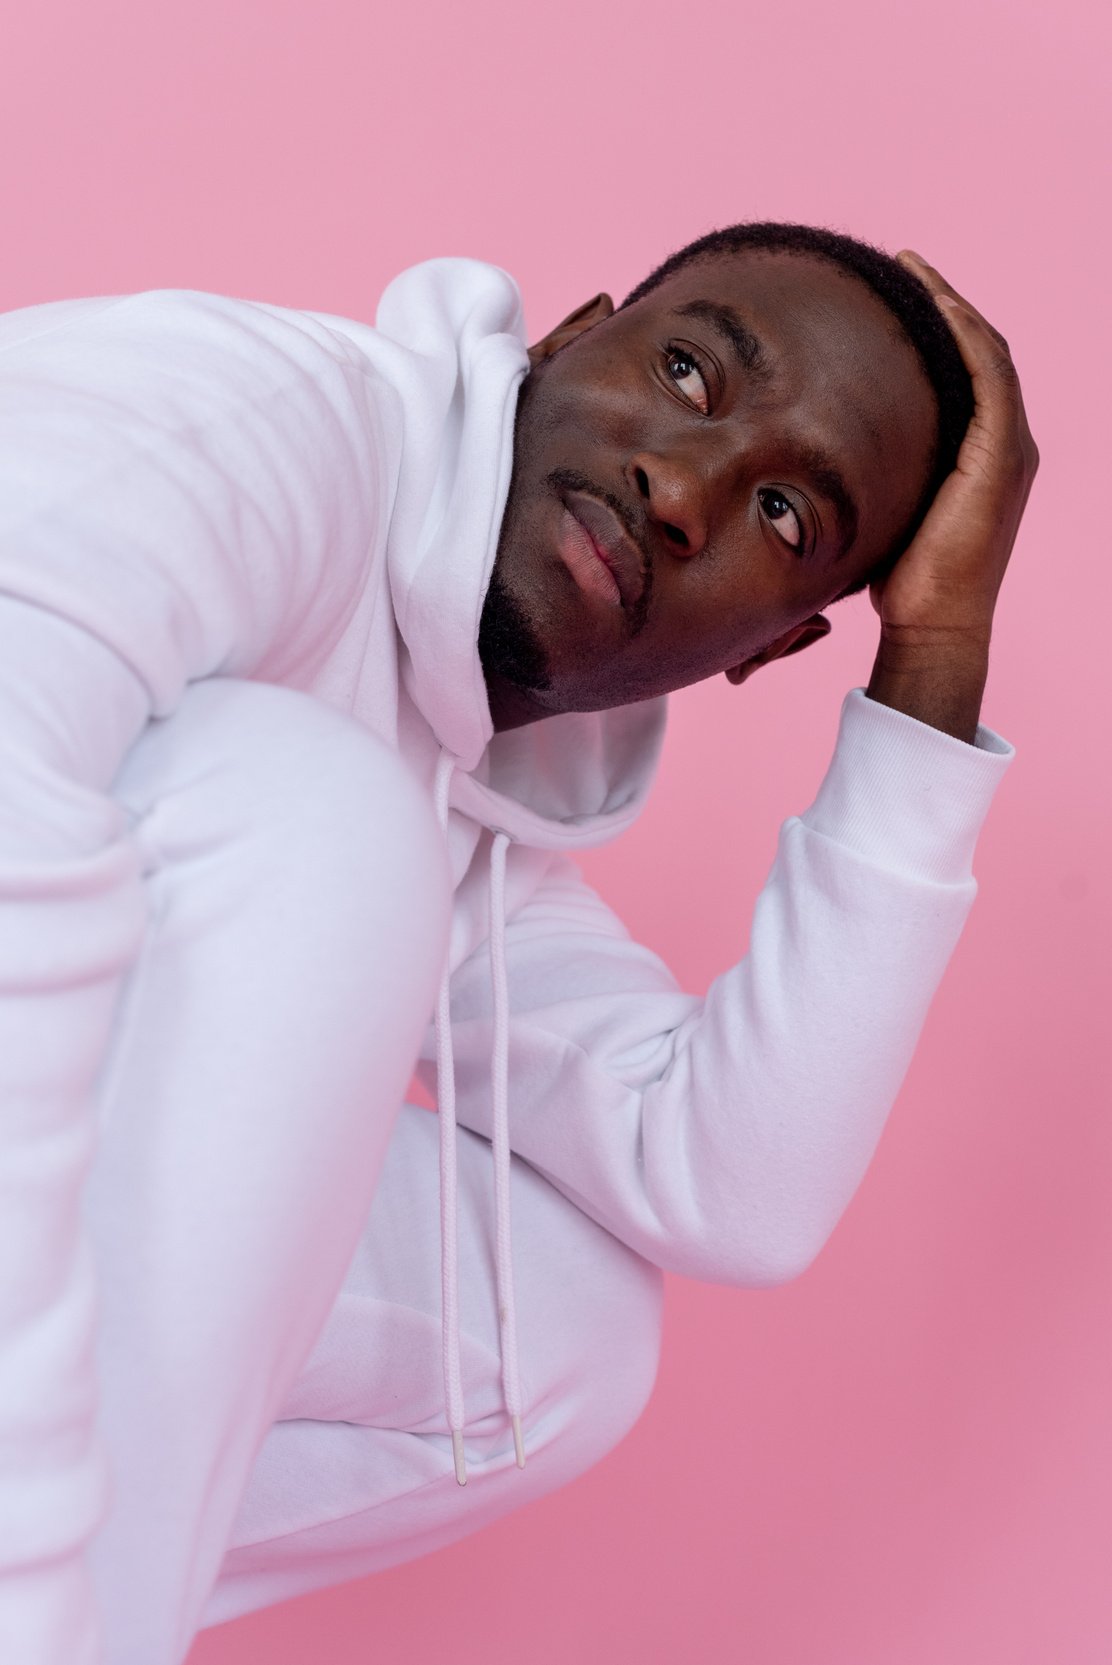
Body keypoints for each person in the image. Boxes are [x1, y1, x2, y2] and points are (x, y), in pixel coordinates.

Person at [0, 222, 1036, 1664]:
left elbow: (733, 1183)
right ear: (565, 336)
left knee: (554, 1320)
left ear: (770, 651)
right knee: (310, 814)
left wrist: (935, 660)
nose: (686, 489)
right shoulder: (261, 425)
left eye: (789, 519)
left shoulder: (470, 810)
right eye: (687, 369)